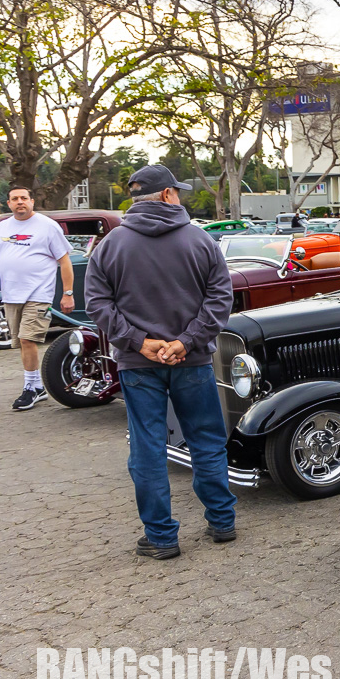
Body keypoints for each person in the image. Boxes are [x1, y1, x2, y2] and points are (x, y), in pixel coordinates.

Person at [85, 164, 236, 559]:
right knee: (205, 440)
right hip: (193, 360)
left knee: (148, 448)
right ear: (168, 195)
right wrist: (185, 342)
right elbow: (220, 299)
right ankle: (222, 520)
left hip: (138, 364)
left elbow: (97, 304)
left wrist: (140, 342)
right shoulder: (201, 240)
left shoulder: (110, 245)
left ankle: (162, 536)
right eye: (178, 191)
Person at [0, 185, 74, 410]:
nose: (19, 202)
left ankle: (30, 388)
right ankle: (38, 386)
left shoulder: (47, 226)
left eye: (24, 198)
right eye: (15, 199)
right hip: (12, 295)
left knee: (27, 339)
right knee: (21, 342)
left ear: (32, 201)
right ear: (9, 203)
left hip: (38, 293)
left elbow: (65, 261)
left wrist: (68, 293)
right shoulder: (3, 227)